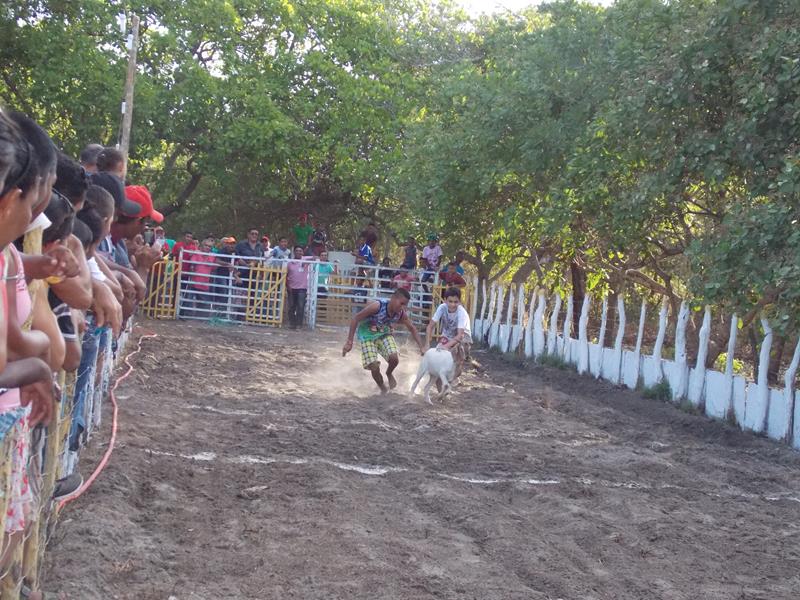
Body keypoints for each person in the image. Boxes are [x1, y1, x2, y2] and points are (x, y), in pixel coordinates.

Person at [342, 288, 426, 394]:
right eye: (401, 304)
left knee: (394, 358)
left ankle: (389, 373)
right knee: (373, 365)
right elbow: (355, 318)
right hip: (367, 336)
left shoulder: (400, 314)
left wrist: (421, 346)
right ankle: (382, 388)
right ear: (393, 299)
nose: (403, 307)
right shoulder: (378, 306)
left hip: (384, 334)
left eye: (405, 305)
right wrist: (349, 342)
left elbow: (412, 328)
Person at [426, 286, 472, 379]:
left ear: (459, 302)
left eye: (456, 302)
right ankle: (441, 383)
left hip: (463, 336)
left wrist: (446, 346)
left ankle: (462, 361)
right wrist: (427, 343)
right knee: (439, 355)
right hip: (447, 334)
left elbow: (460, 335)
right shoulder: (442, 308)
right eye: (450, 301)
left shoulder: (461, 312)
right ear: (445, 300)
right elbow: (430, 326)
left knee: (457, 358)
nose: (453, 304)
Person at [286, 246, 311, 328]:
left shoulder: (305, 260)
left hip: (302, 288)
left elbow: (316, 258)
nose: (298, 252)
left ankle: (299, 324)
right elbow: (286, 275)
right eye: (296, 251)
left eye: (300, 251)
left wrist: (306, 259)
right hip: (291, 288)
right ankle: (292, 323)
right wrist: (288, 285)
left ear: (302, 252)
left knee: (301, 306)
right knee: (291, 306)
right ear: (294, 252)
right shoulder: (290, 262)